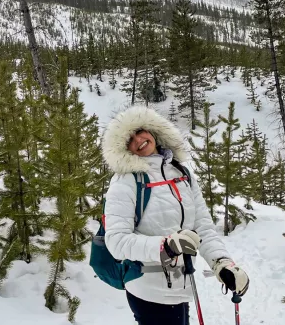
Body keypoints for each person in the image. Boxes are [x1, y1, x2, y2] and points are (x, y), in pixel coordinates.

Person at [101, 105, 249, 325]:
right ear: (124, 149)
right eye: (128, 139)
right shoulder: (126, 181)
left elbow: (203, 227)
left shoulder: (181, 173)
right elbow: (116, 241)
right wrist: (166, 246)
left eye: (140, 130)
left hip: (182, 285)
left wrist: (222, 263)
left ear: (153, 130)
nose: (137, 139)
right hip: (148, 291)